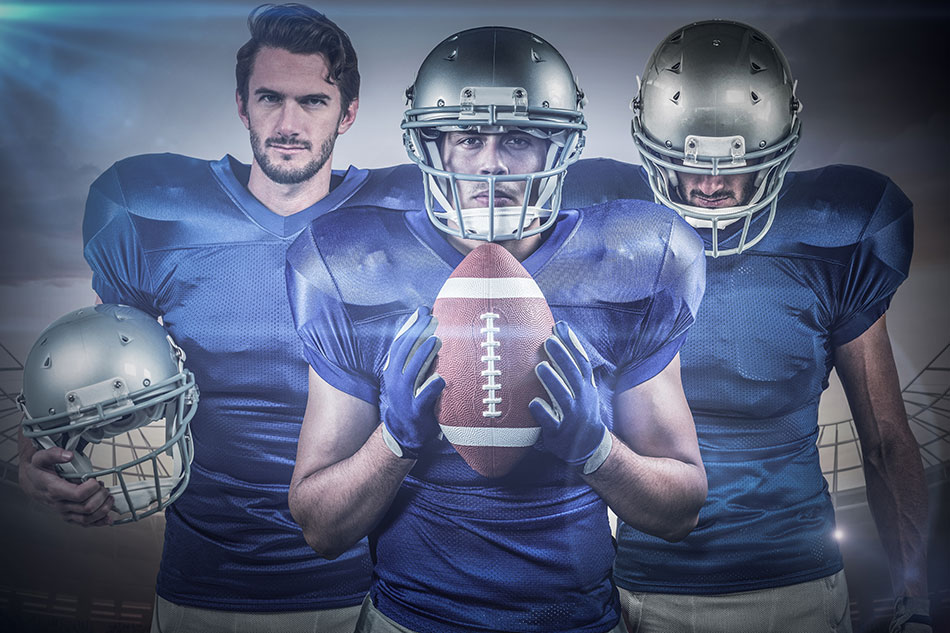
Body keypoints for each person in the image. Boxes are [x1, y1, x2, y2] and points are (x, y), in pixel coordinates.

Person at [285, 26, 708, 633]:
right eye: (468, 138)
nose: (491, 162)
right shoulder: (356, 264)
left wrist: (598, 451)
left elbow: (680, 509)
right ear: (432, 146)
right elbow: (320, 527)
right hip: (412, 618)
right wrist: (394, 442)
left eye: (517, 138)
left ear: (556, 149)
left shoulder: (627, 260)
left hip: (577, 620)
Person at [17, 4, 421, 632]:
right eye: (269, 98)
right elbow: (101, 373)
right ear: (242, 105)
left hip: (362, 588)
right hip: (198, 582)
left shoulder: (403, 217)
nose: (288, 123)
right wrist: (40, 462)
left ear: (348, 112)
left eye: (312, 101)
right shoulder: (152, 213)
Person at [579, 20, 929, 633]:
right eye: (691, 165)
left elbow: (885, 441)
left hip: (797, 581)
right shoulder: (612, 230)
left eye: (735, 165)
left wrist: (915, 600)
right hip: (645, 585)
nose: (711, 186)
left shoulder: (833, 238)